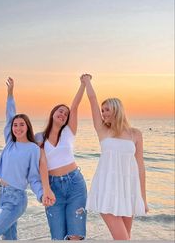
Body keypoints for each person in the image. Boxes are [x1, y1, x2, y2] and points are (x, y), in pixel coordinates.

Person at [0, 77, 54, 240]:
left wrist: (42, 195)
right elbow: (10, 114)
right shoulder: (10, 143)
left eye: (22, 124)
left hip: (16, 200)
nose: (18, 127)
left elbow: (34, 177)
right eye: (15, 125)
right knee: (10, 239)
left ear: (27, 127)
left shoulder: (33, 149)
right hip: (2, 195)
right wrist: (10, 93)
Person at [81, 74, 148, 240]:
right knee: (123, 239)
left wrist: (143, 198)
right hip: (107, 189)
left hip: (127, 190)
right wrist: (87, 81)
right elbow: (92, 99)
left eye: (106, 110)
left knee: (126, 237)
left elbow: (140, 167)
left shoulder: (135, 134)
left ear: (116, 110)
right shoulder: (102, 130)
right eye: (102, 110)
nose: (103, 113)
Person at [35, 76, 87, 240]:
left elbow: (75, 106)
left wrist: (83, 84)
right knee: (57, 236)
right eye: (60, 111)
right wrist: (46, 189)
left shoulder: (69, 132)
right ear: (53, 114)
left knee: (75, 235)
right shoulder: (39, 138)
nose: (63, 114)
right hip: (53, 187)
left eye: (66, 114)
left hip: (75, 184)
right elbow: (42, 164)